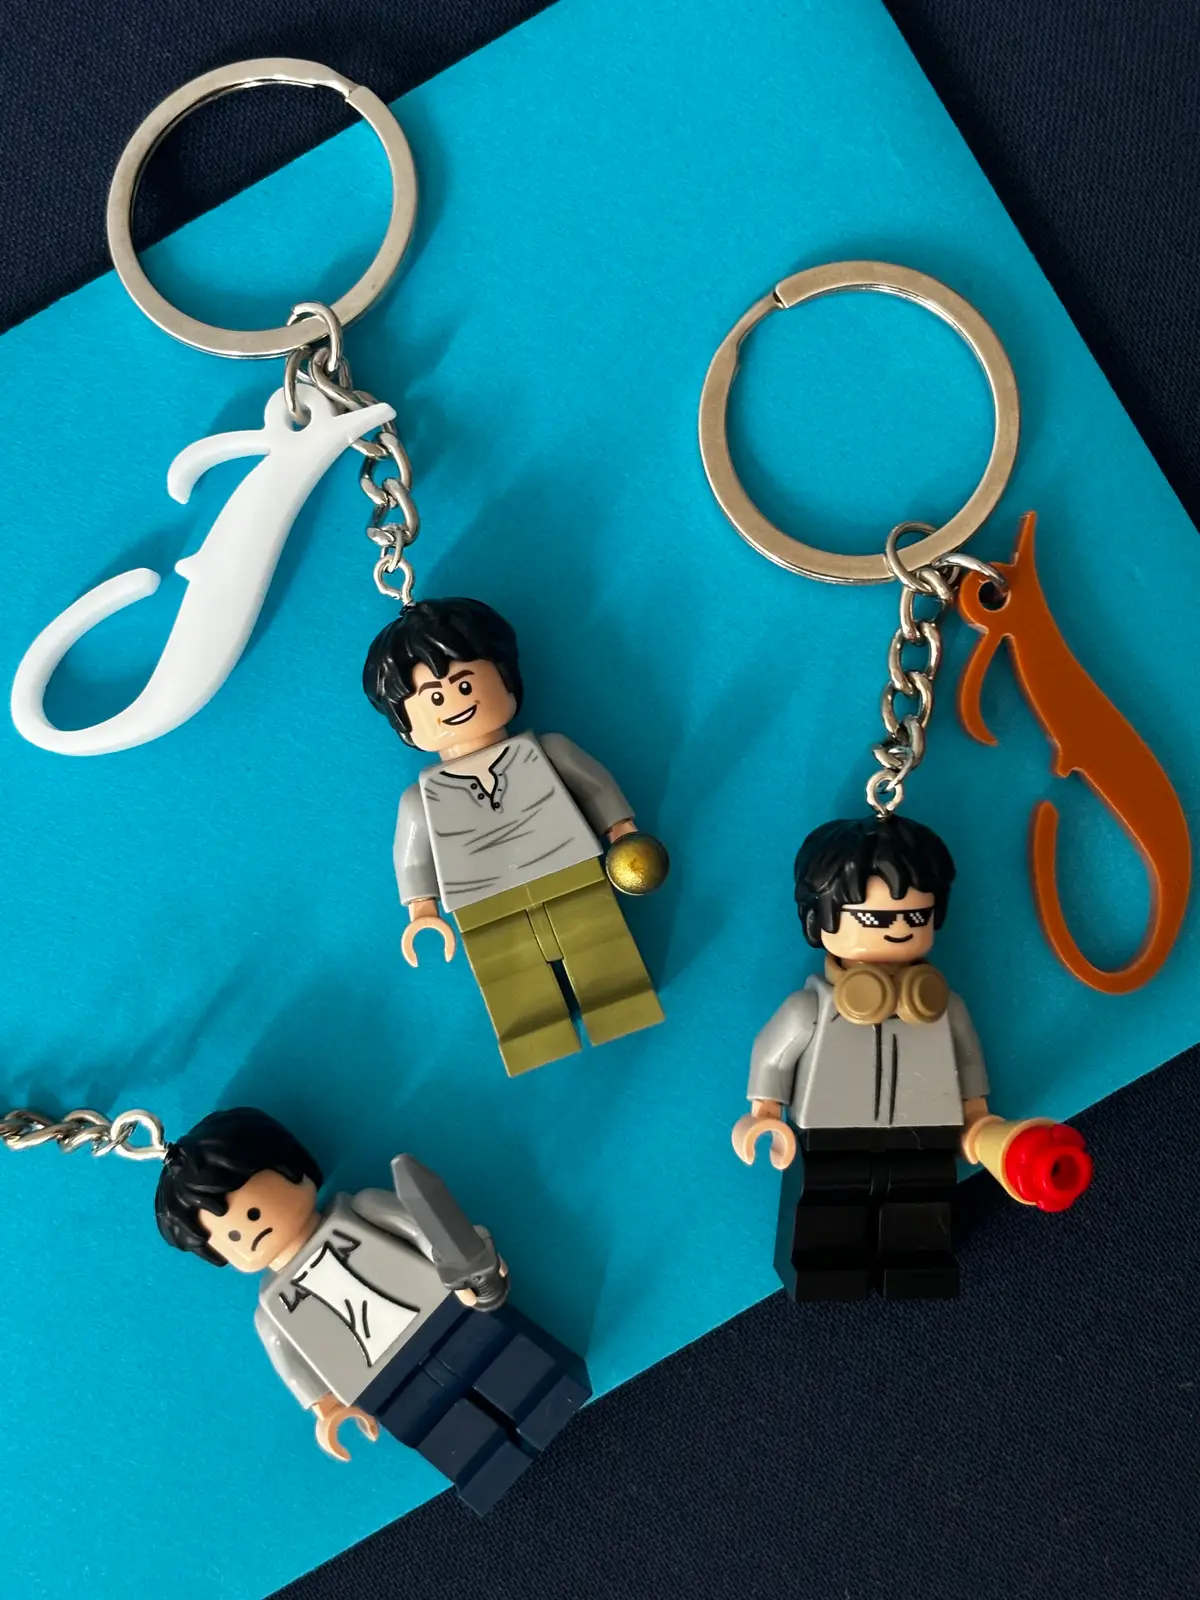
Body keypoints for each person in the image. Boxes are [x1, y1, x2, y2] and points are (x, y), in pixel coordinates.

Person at [156, 1107, 591, 1514]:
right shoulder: (270, 1312)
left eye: (252, 1212)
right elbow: (291, 1364)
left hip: (446, 1316)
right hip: (382, 1380)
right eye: (230, 1238)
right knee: (440, 1429)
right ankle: (486, 1468)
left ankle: (554, 1396)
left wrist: (466, 1258)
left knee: (510, 1364)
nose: (249, 1233)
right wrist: (327, 1407)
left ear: (293, 1169)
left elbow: (423, 1231)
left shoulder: (361, 1209)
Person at [364, 597, 664, 1075]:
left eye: (465, 684)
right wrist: (422, 910)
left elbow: (596, 787)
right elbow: (412, 858)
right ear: (406, 727)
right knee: (514, 986)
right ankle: (534, 1037)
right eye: (434, 698)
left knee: (603, 954)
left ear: (506, 680)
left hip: (570, 873)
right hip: (482, 903)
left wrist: (622, 831)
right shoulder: (420, 801)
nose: (455, 702)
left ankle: (622, 1004)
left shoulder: (550, 751)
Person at [732, 815, 989, 1301]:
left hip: (927, 1134)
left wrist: (976, 1117)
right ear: (817, 922)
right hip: (830, 1136)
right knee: (829, 1204)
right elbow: (772, 1058)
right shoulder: (809, 1009)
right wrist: (764, 1115)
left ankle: (916, 1265)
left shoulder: (943, 1008)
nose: (899, 930)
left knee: (922, 1203)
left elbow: (969, 1062)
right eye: (873, 920)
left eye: (916, 917)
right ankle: (825, 1269)